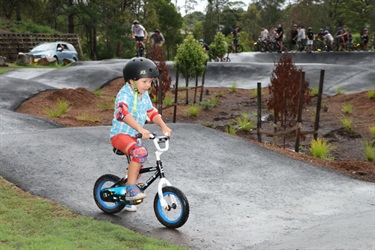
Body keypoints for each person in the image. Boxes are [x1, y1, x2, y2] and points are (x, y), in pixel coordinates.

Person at [110, 57, 172, 212]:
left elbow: (151, 113)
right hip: (120, 135)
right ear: (132, 81)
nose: (148, 85)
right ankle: (131, 188)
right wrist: (140, 128)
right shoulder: (125, 94)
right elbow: (122, 114)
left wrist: (164, 126)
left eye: (150, 82)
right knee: (139, 152)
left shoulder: (143, 96)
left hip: (134, 137)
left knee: (139, 160)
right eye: (144, 82)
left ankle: (127, 192)